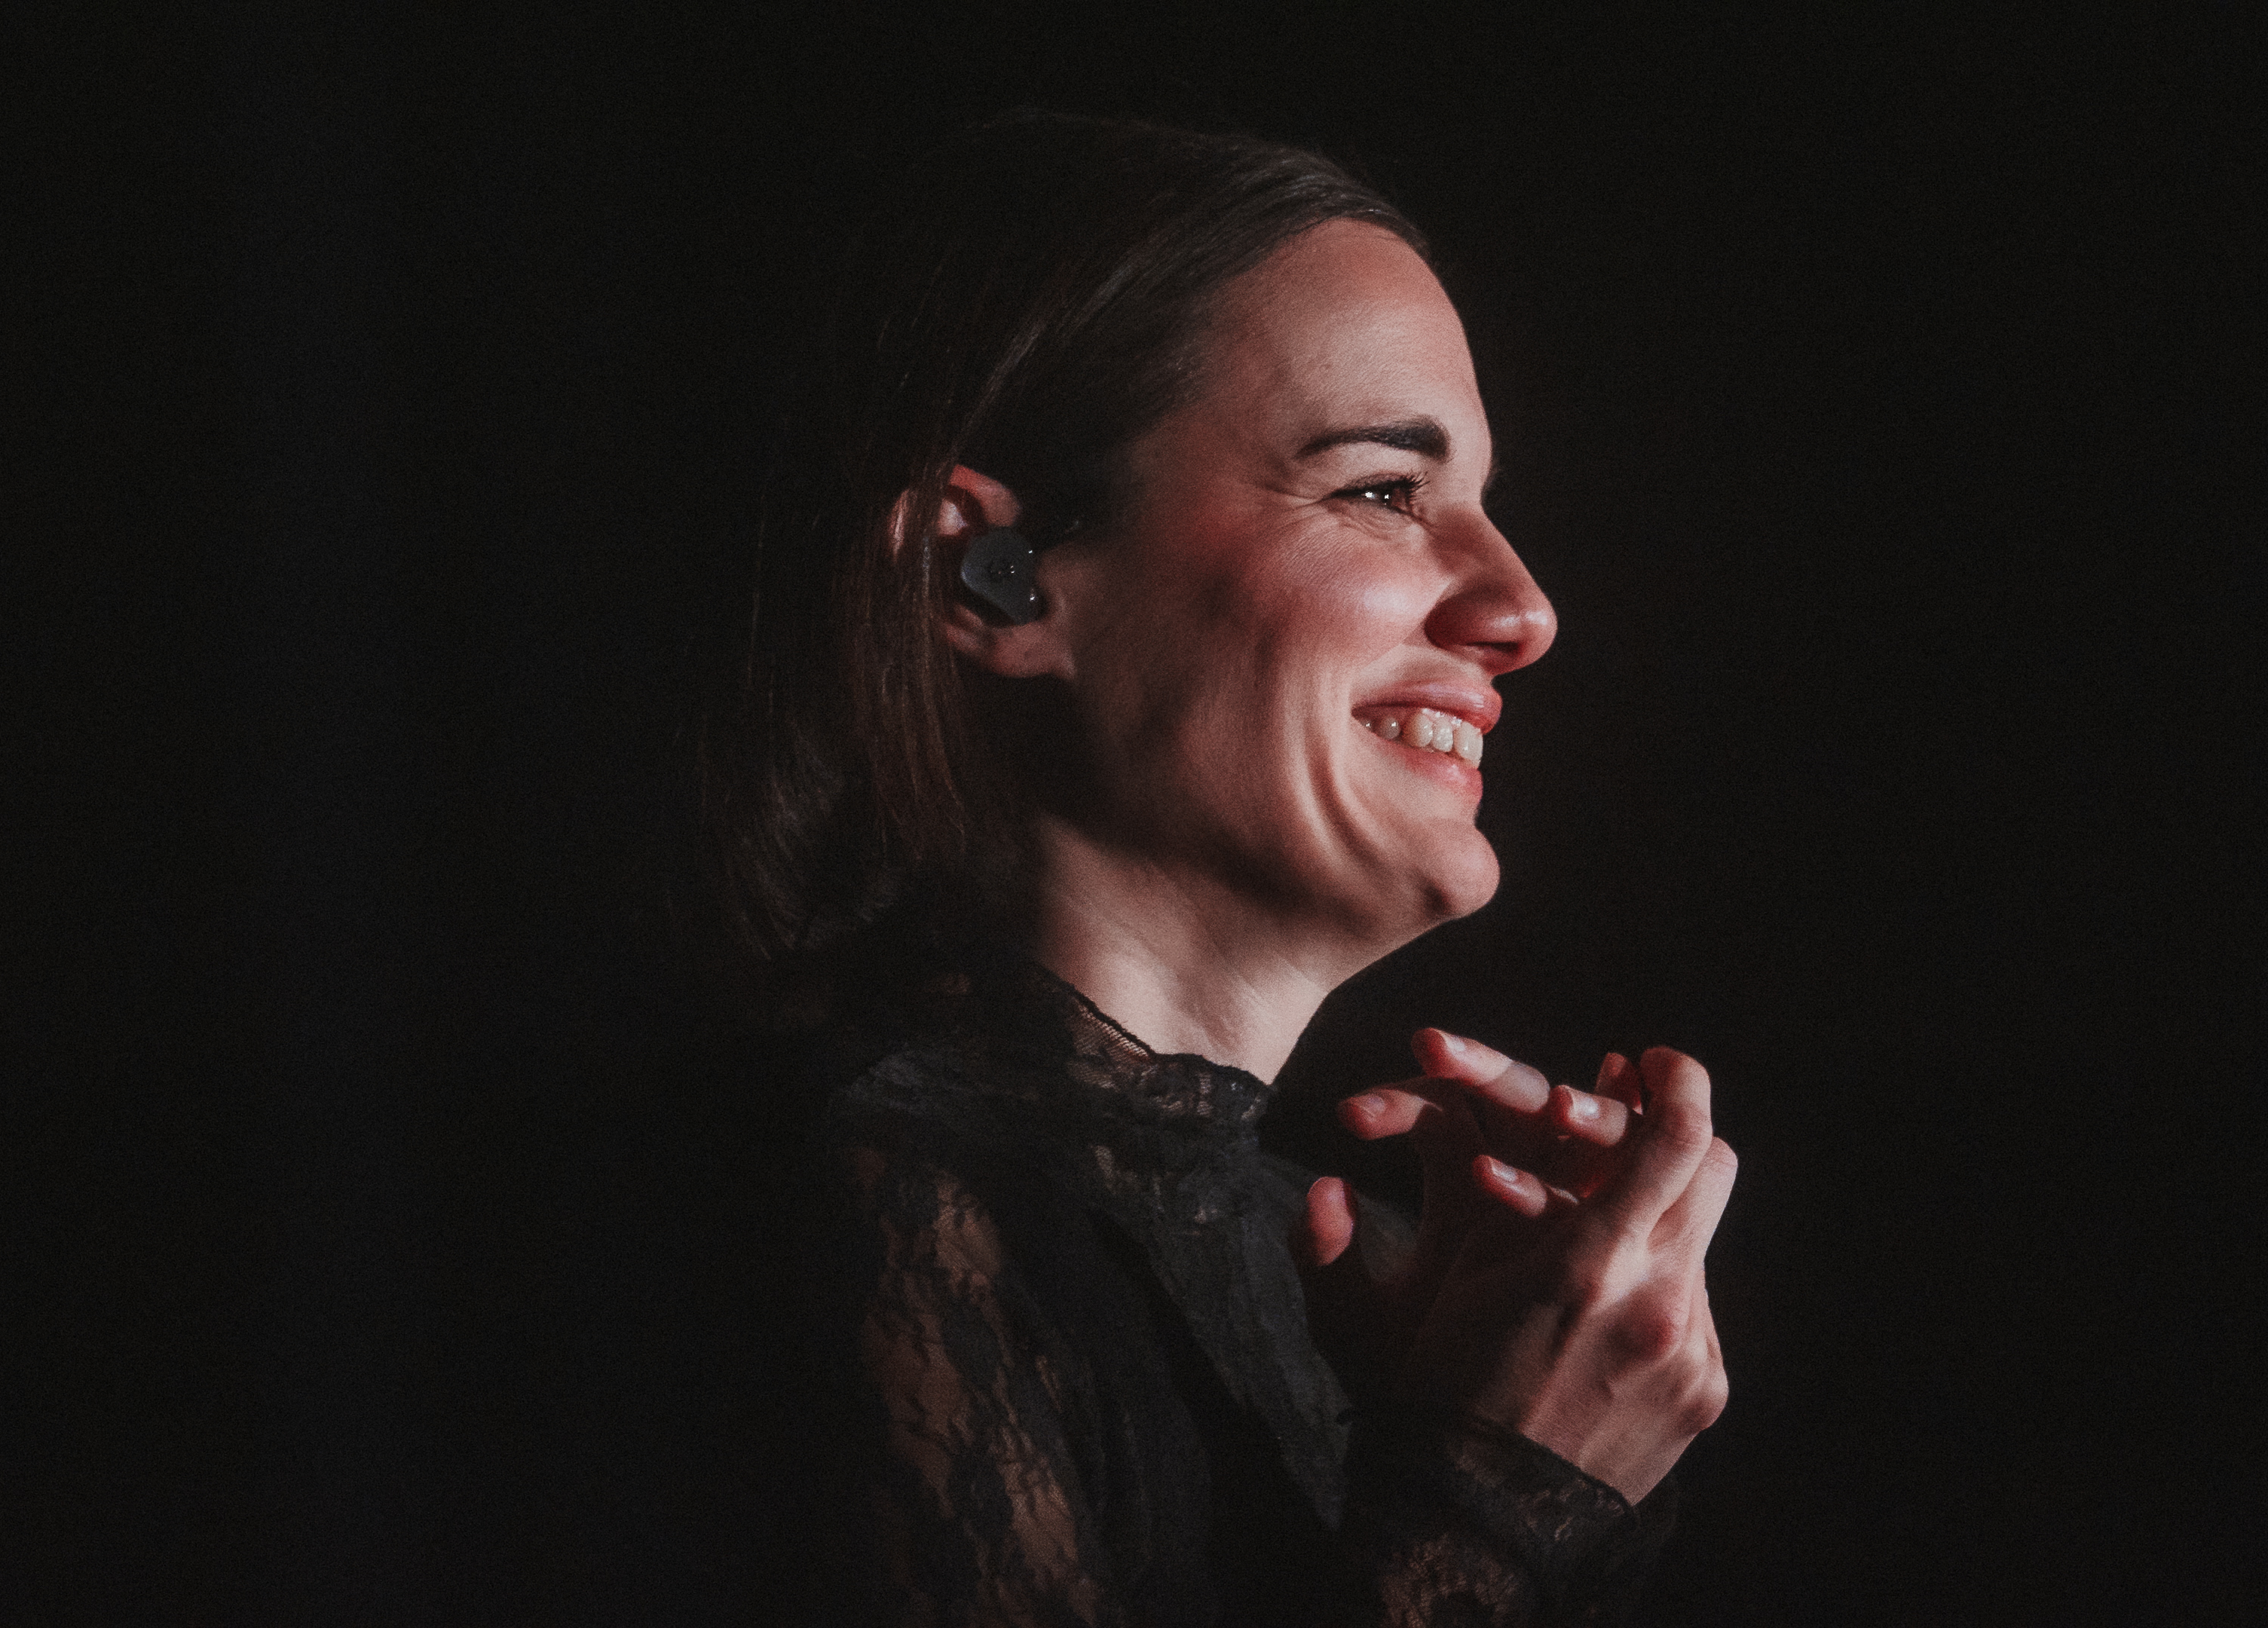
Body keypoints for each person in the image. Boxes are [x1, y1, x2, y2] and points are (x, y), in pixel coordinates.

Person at [699, 112, 1734, 1626]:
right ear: (991, 579)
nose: (1524, 610)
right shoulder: (835, 1214)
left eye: (1484, 503)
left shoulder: (1348, 1292)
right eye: (1383, 491)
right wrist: (1496, 1498)